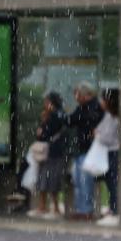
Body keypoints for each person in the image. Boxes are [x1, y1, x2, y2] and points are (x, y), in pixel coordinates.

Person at [65, 81, 104, 221]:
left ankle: (86, 209)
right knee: (78, 180)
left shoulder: (94, 106)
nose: (76, 97)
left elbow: (82, 119)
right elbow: (70, 121)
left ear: (86, 94)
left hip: (91, 150)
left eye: (78, 94)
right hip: (83, 149)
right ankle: (80, 208)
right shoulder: (82, 107)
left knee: (85, 180)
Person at [27, 92, 67, 220]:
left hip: (51, 152)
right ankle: (49, 206)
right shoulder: (61, 114)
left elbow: (43, 134)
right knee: (49, 180)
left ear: (52, 103)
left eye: (47, 102)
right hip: (55, 151)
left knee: (47, 179)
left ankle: (50, 207)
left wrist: (42, 129)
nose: (45, 104)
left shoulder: (54, 116)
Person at [95, 89, 120, 227]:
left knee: (113, 182)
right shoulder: (108, 115)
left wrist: (98, 135)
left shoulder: (114, 118)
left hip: (113, 152)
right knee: (110, 182)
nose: (101, 102)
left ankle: (115, 210)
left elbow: (108, 137)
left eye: (103, 99)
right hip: (108, 152)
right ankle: (112, 208)